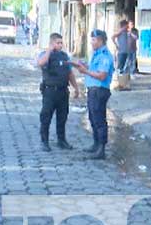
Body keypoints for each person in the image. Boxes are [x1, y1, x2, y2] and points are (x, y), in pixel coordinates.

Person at [69, 29, 114, 160]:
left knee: (99, 119)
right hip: (92, 89)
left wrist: (85, 71)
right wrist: (81, 65)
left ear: (100, 40)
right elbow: (92, 68)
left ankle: (101, 149)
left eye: (93, 40)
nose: (91, 42)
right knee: (92, 118)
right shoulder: (95, 53)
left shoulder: (105, 55)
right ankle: (96, 143)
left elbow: (101, 75)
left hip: (100, 90)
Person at [37, 33, 79, 152]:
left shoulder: (64, 56)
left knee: (62, 117)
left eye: (61, 42)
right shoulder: (44, 55)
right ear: (51, 43)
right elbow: (40, 63)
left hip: (62, 91)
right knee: (46, 117)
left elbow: (70, 73)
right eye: (58, 43)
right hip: (50, 91)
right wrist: (49, 51)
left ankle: (61, 140)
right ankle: (44, 141)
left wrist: (76, 88)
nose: (60, 45)